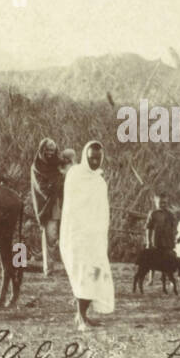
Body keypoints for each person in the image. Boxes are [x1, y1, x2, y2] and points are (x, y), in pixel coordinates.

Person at [59, 140, 114, 330]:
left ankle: (83, 314)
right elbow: (73, 207)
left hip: (95, 237)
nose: (95, 163)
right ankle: (80, 316)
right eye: (91, 159)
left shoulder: (99, 181)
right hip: (77, 235)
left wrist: (99, 233)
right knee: (82, 276)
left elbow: (102, 211)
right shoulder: (75, 175)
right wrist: (81, 229)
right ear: (85, 157)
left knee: (95, 274)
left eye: (98, 159)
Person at [30, 138, 65, 259]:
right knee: (50, 237)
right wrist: (57, 183)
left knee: (64, 237)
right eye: (48, 150)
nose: (50, 153)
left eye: (53, 150)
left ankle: (67, 267)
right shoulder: (37, 167)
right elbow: (42, 188)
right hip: (48, 206)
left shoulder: (58, 164)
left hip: (62, 204)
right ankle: (49, 269)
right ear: (42, 150)